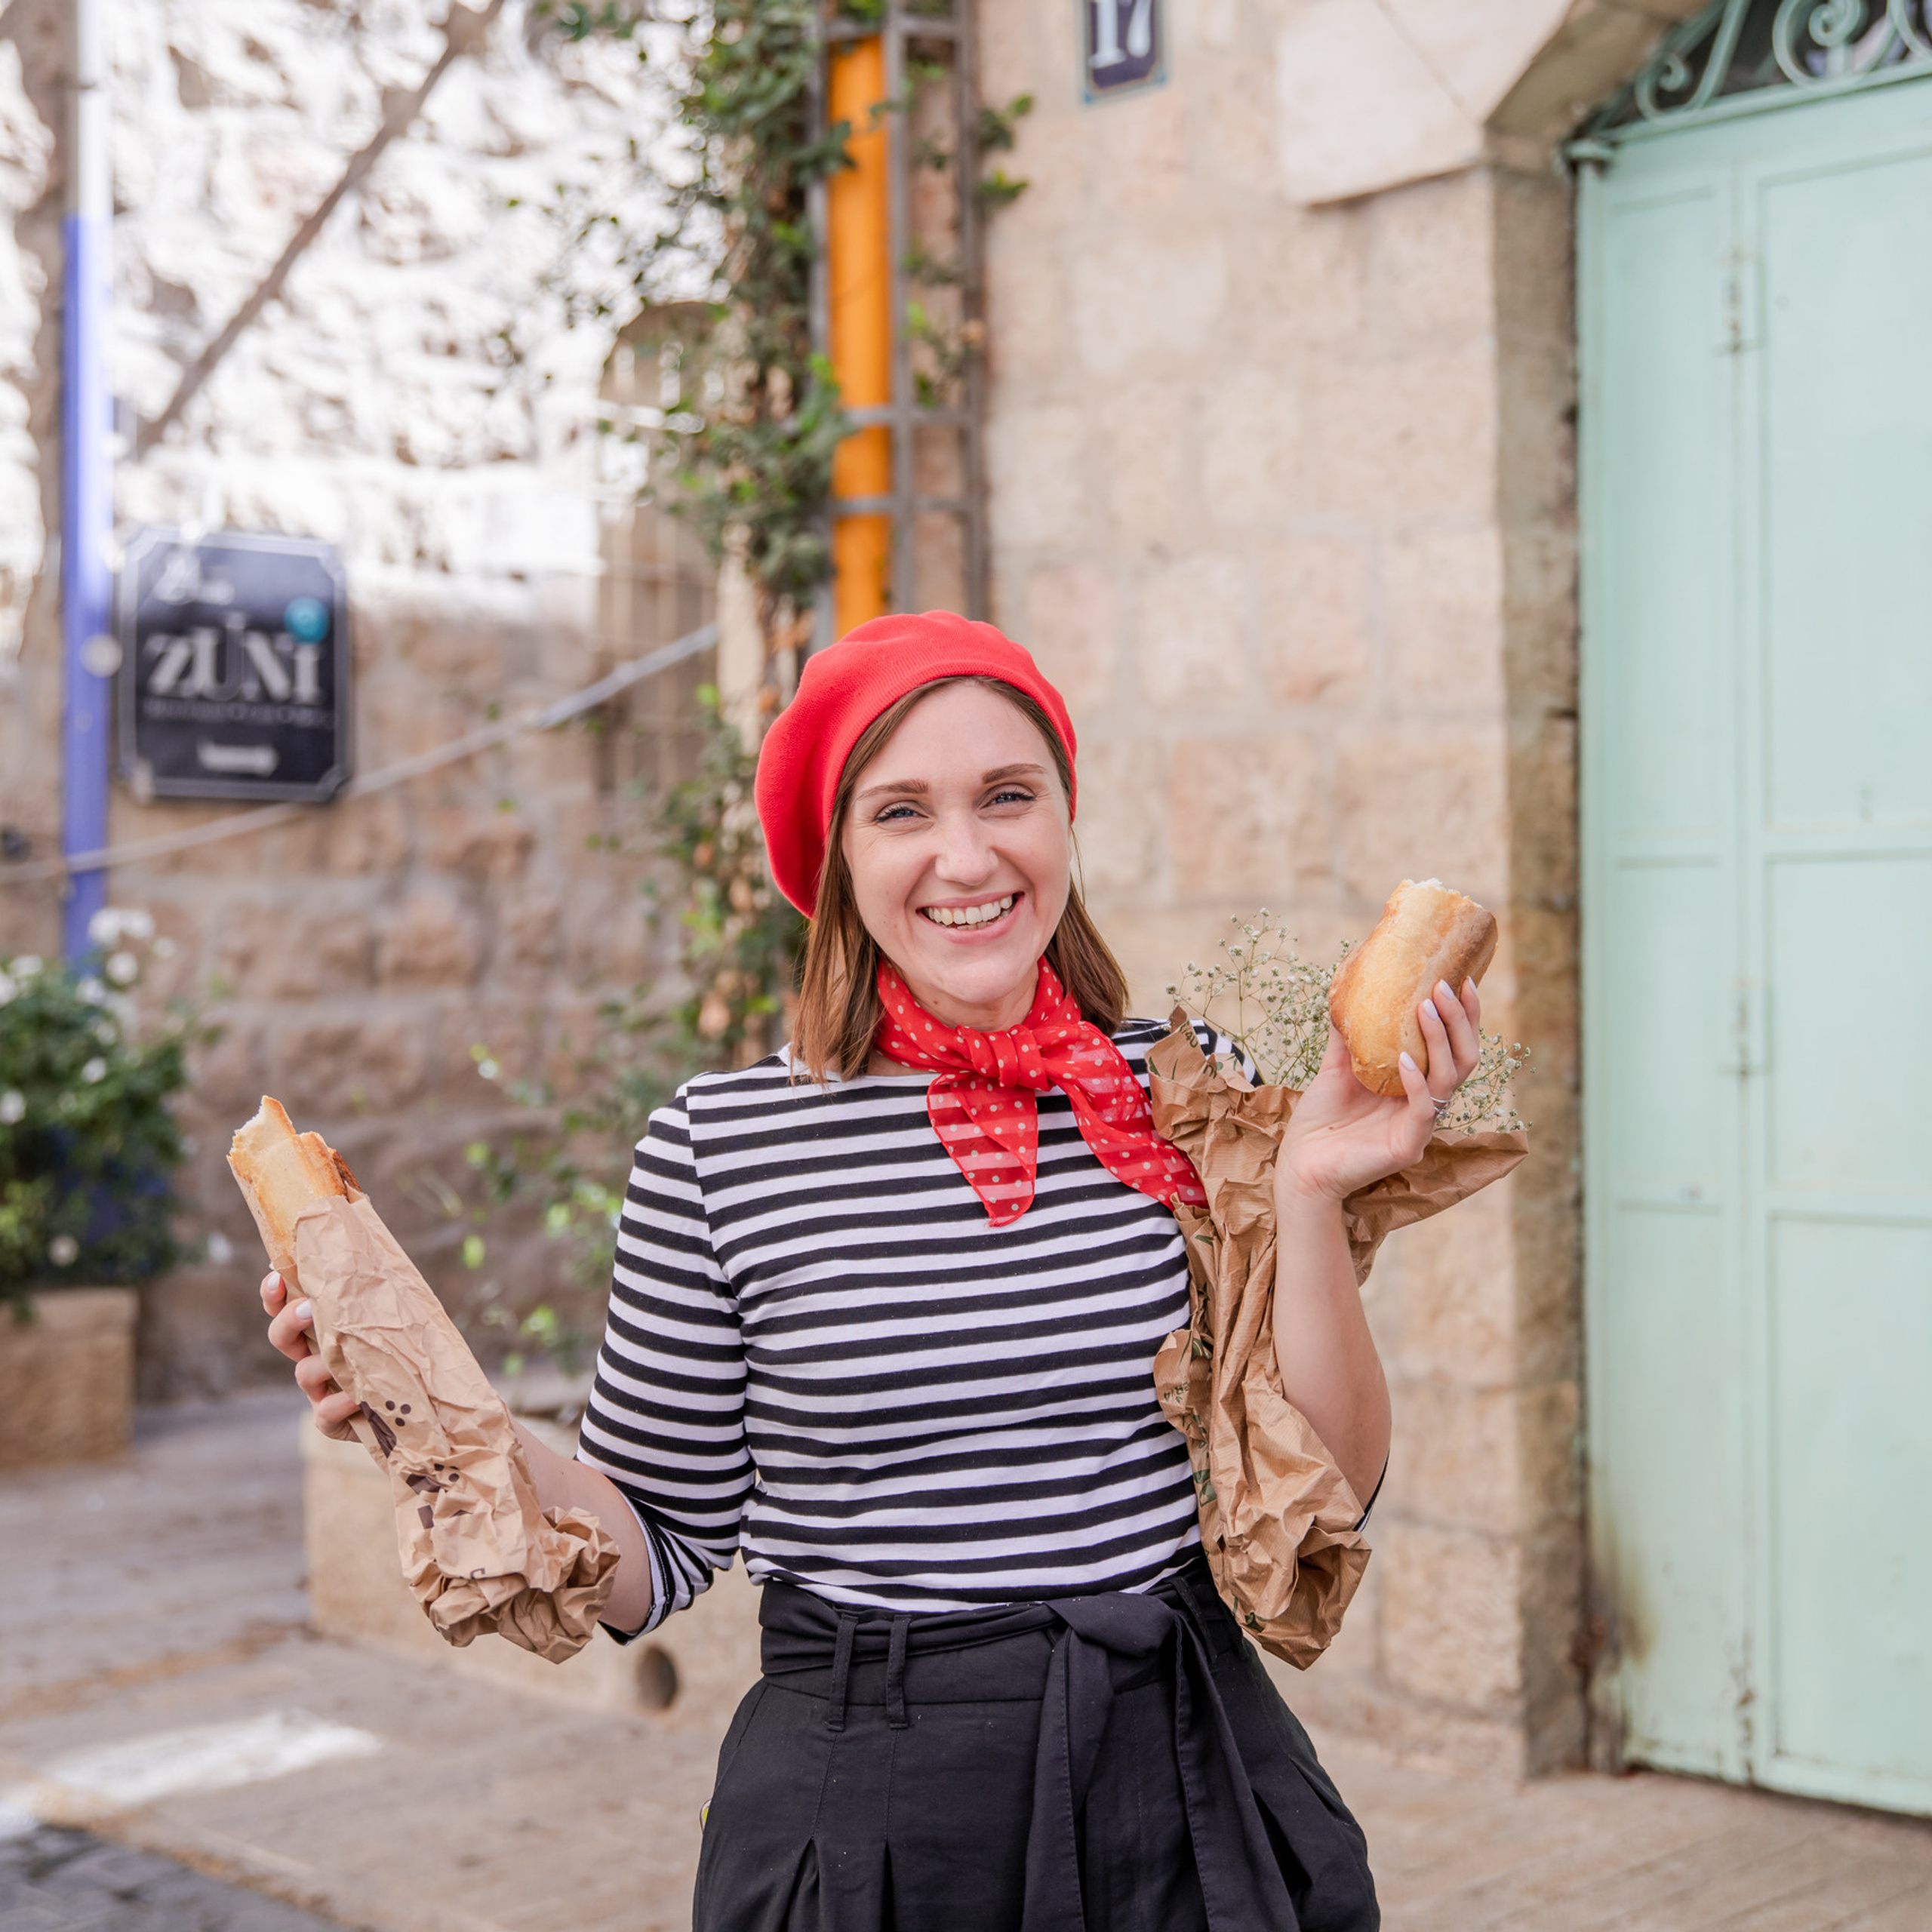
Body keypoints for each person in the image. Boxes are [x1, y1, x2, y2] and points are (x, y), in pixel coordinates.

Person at [265, 611, 1484, 1931]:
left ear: (1064, 816)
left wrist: (1309, 1195)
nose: (968, 856)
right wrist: (440, 1426)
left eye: (1007, 795)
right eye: (902, 812)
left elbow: (1325, 1489)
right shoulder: (721, 1149)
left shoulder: (1191, 1091)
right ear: (839, 859)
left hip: (1187, 1771)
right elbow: (653, 1547)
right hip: (879, 1814)